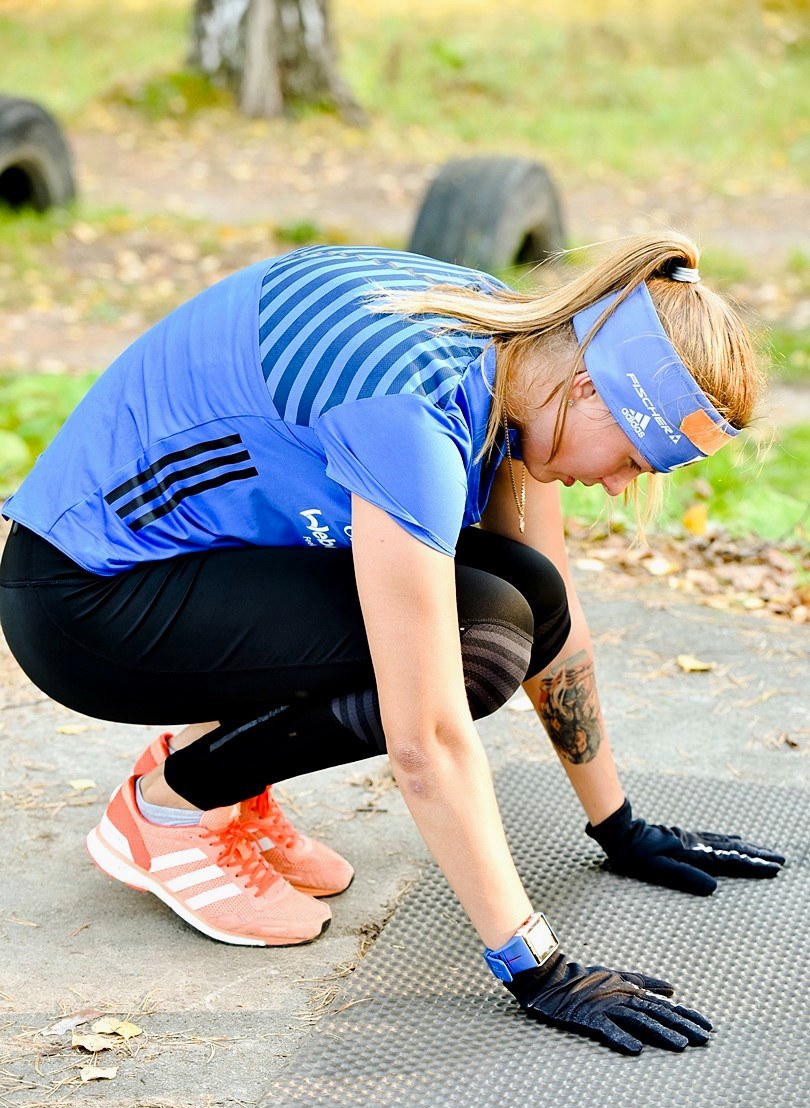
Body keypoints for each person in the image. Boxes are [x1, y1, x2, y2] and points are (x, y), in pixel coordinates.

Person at [0, 236, 785, 1058]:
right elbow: (427, 739)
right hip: (82, 604)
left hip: (205, 559)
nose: (624, 484)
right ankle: (167, 809)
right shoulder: (409, 413)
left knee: (527, 599)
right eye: (635, 457)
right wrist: (538, 968)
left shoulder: (517, 347)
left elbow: (557, 609)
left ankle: (229, 774)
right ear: (589, 389)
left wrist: (619, 827)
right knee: (477, 638)